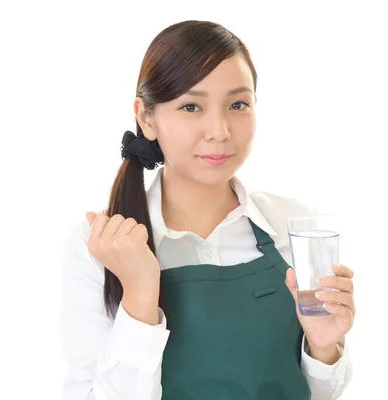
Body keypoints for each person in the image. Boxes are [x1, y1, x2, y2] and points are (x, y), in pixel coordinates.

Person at [61, 20, 355, 400]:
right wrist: (138, 292)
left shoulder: (291, 223)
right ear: (146, 117)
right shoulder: (99, 245)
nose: (219, 130)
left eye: (238, 104)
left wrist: (323, 348)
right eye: (190, 106)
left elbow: (316, 393)